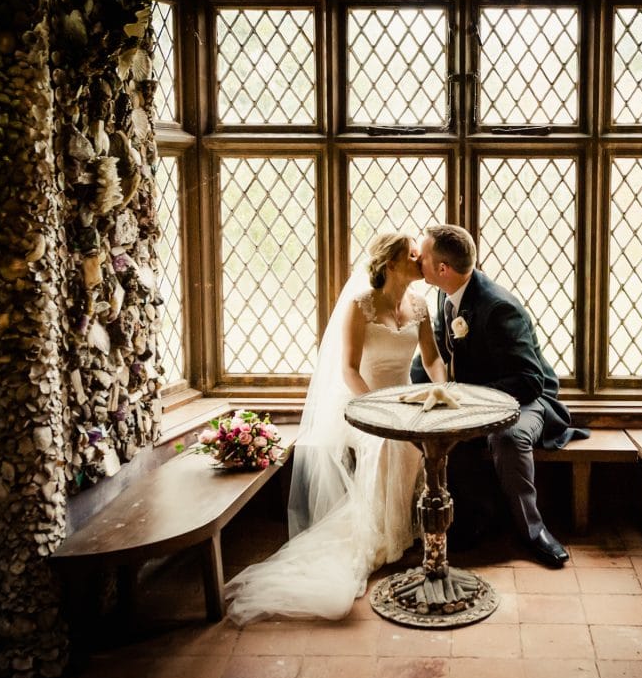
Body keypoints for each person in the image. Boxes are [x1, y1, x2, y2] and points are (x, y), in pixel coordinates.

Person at [224, 232, 448, 624]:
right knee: (385, 446)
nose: (419, 260)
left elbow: (432, 360)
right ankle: (380, 536)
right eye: (411, 255)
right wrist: (375, 411)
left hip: (406, 401)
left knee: (419, 446)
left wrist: (442, 388)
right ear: (391, 264)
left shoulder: (421, 306)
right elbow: (347, 369)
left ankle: (404, 533)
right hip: (364, 401)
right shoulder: (361, 306)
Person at [414, 223, 589, 568]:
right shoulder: (443, 293)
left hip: (528, 401)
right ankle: (479, 519)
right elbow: (435, 350)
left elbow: (530, 381)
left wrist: (466, 396)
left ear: (443, 269)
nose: (418, 260)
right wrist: (420, 392)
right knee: (441, 430)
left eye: (424, 257)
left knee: (507, 437)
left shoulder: (499, 307)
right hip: (480, 396)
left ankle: (532, 531)